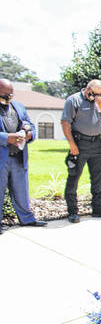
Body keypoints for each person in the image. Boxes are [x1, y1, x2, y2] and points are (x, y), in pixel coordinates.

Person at [61, 79, 101, 223]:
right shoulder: (73, 100)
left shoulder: (99, 102)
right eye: (92, 94)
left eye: (98, 94)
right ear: (86, 89)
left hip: (96, 143)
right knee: (74, 177)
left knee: (98, 178)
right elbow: (65, 122)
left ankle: (98, 209)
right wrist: (72, 144)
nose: (94, 97)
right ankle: (72, 211)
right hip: (79, 143)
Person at [0, 79, 46, 233]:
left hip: (18, 156)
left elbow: (29, 124)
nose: (8, 97)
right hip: (2, 157)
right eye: (5, 94)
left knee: (21, 190)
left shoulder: (18, 106)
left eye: (11, 94)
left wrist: (29, 133)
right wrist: (7, 137)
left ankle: (26, 219)